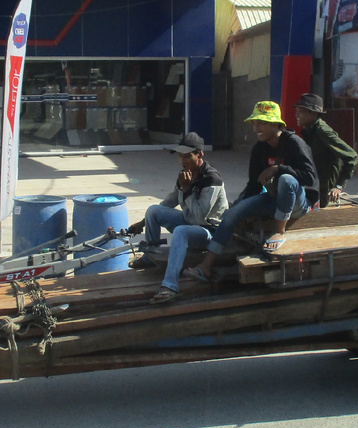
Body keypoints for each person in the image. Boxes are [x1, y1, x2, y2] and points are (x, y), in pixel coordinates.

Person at [183, 100, 319, 282]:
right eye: (255, 123)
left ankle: (280, 231)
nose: (256, 128)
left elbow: (310, 178)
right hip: (274, 199)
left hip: (298, 203)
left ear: (275, 124)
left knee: (287, 180)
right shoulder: (259, 149)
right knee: (233, 213)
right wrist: (241, 207)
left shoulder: (294, 143)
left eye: (261, 123)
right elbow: (254, 186)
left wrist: (278, 168)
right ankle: (205, 266)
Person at [129, 132, 229, 304]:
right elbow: (169, 202)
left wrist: (187, 189)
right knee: (153, 210)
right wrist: (142, 223)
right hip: (190, 221)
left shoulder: (212, 179)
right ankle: (149, 257)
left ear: (200, 154)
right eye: (181, 156)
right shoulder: (185, 174)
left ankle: (170, 286)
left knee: (181, 231)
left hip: (209, 232)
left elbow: (199, 217)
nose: (183, 161)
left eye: (188, 156)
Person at [294, 93, 358, 207]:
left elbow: (352, 156)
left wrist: (338, 186)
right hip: (313, 185)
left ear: (313, 114)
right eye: (297, 110)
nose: (296, 115)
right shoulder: (309, 130)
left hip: (323, 192)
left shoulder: (322, 131)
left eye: (301, 111)